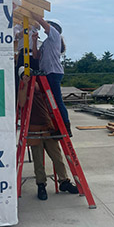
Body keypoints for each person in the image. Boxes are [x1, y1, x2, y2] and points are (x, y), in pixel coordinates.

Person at [18, 67, 78, 200]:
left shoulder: (43, 86)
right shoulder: (23, 88)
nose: (30, 77)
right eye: (25, 75)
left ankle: (64, 182)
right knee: (38, 162)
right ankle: (41, 185)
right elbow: (21, 103)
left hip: (48, 128)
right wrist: (27, 83)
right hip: (33, 129)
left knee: (57, 158)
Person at [31, 14, 72, 136]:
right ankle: (56, 125)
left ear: (55, 27)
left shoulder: (55, 35)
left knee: (57, 101)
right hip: (47, 73)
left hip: (53, 72)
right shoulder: (46, 42)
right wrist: (34, 41)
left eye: (49, 25)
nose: (45, 28)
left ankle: (65, 127)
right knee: (51, 102)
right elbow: (36, 56)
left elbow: (43, 23)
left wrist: (34, 14)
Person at [14, 23, 39, 95]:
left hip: (33, 53)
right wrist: (26, 28)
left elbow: (38, 26)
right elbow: (17, 35)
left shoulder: (33, 25)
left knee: (36, 75)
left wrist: (32, 23)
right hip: (23, 53)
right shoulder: (17, 27)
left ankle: (36, 97)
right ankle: (20, 96)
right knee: (21, 76)